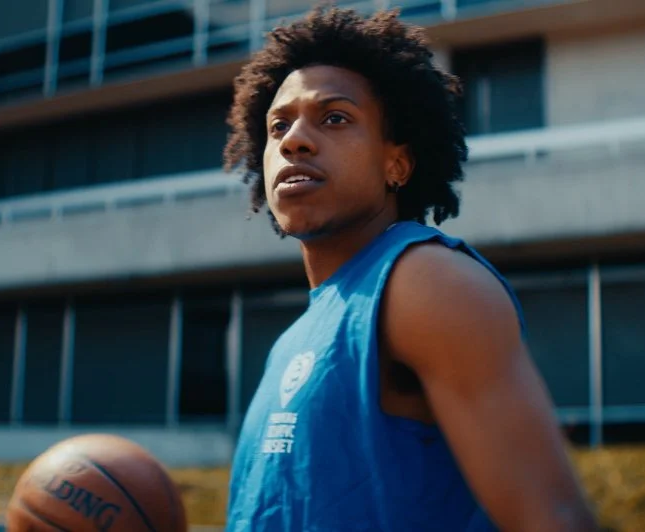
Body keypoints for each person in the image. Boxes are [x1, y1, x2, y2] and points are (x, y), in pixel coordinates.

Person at [222, 5, 598, 531]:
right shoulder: (292, 339)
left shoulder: (424, 280)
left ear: (396, 163)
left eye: (335, 117)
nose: (293, 141)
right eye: (278, 125)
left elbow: (553, 519)